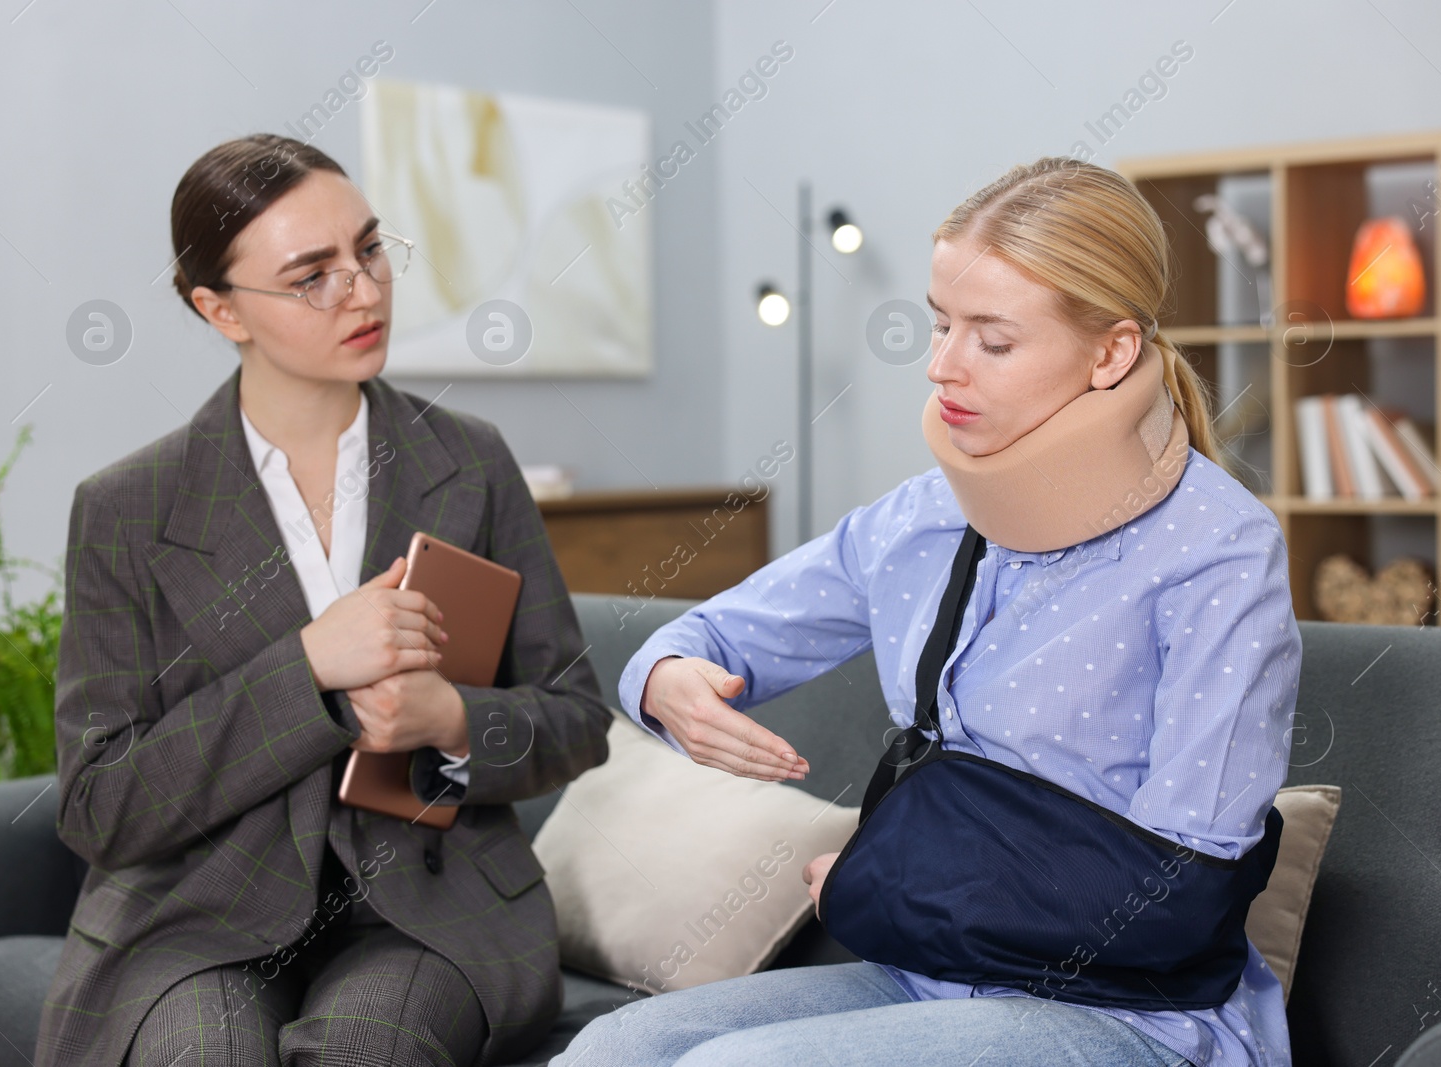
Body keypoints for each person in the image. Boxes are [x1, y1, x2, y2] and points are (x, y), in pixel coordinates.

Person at [551, 157, 1300, 1067]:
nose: (943, 366)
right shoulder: (924, 516)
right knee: (612, 1049)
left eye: (993, 339)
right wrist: (670, 678)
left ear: (1111, 353)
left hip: (1128, 1014)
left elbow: (1183, 889)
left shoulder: (1217, 550)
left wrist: (893, 887)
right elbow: (709, 633)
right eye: (942, 324)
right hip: (924, 972)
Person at [35, 133, 612, 1067]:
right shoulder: (126, 509)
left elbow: (578, 720)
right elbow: (102, 806)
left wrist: (452, 723)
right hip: (196, 914)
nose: (366, 290)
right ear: (219, 308)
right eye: (314, 276)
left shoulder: (471, 461)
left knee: (363, 1051)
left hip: (433, 905)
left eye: (371, 250)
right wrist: (306, 668)